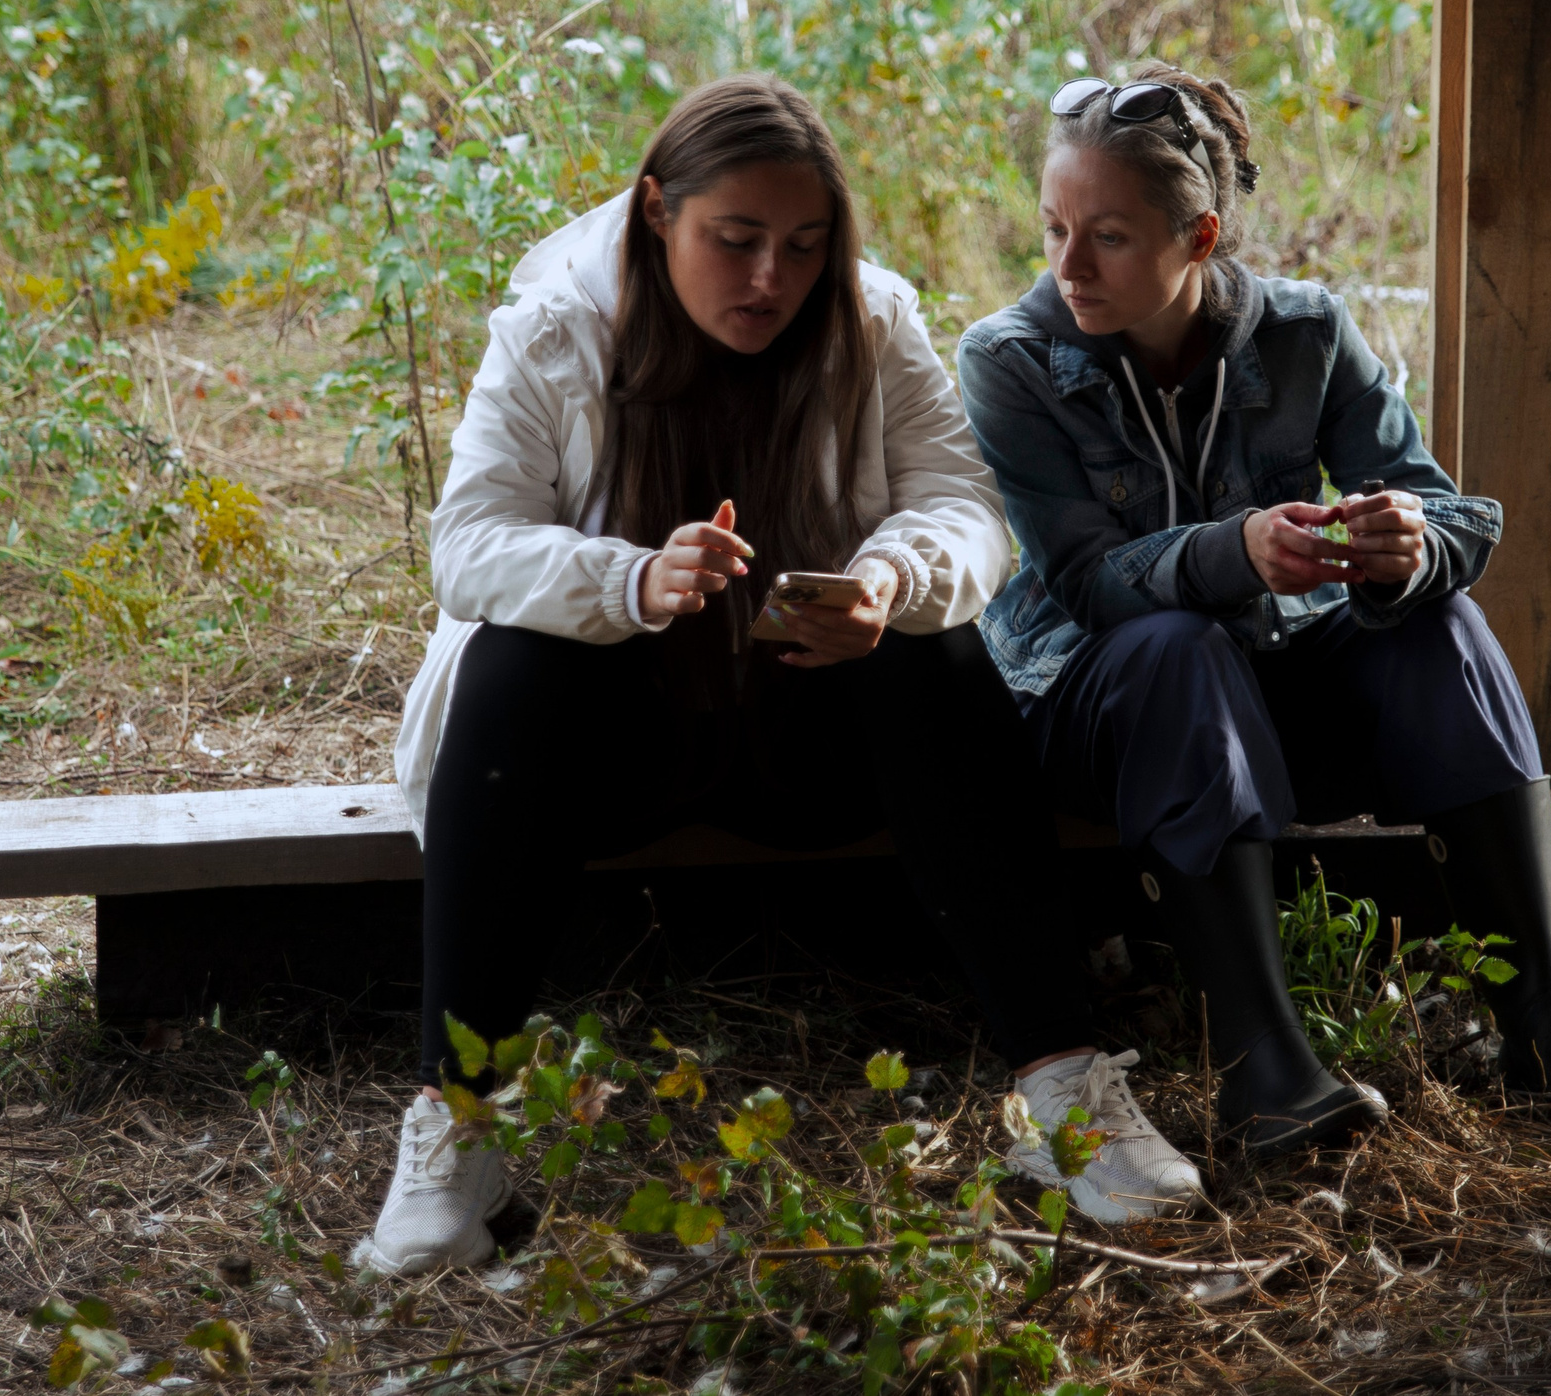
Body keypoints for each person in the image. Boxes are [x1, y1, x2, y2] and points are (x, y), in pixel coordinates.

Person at [364, 74, 1204, 1275]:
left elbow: (964, 509)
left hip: (813, 745)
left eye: (803, 246)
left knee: (935, 646)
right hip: (617, 757)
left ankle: (1062, 1097)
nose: (771, 279)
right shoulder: (553, 328)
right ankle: (461, 1126)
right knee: (510, 663)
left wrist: (887, 583)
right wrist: (628, 583)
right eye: (736, 240)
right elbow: (469, 545)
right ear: (658, 212)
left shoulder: (870, 320)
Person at [955, 64, 1551, 1154]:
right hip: (1095, 716)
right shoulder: (1009, 359)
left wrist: (1404, 546)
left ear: (1198, 239)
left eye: (1106, 236)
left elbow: (1451, 512)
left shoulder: (1304, 332)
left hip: (1263, 704)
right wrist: (1233, 551)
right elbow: (1085, 582)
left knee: (1435, 622)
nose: (1066, 264)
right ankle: (1266, 1067)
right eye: (1052, 226)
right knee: (1176, 644)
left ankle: (1548, 1024)